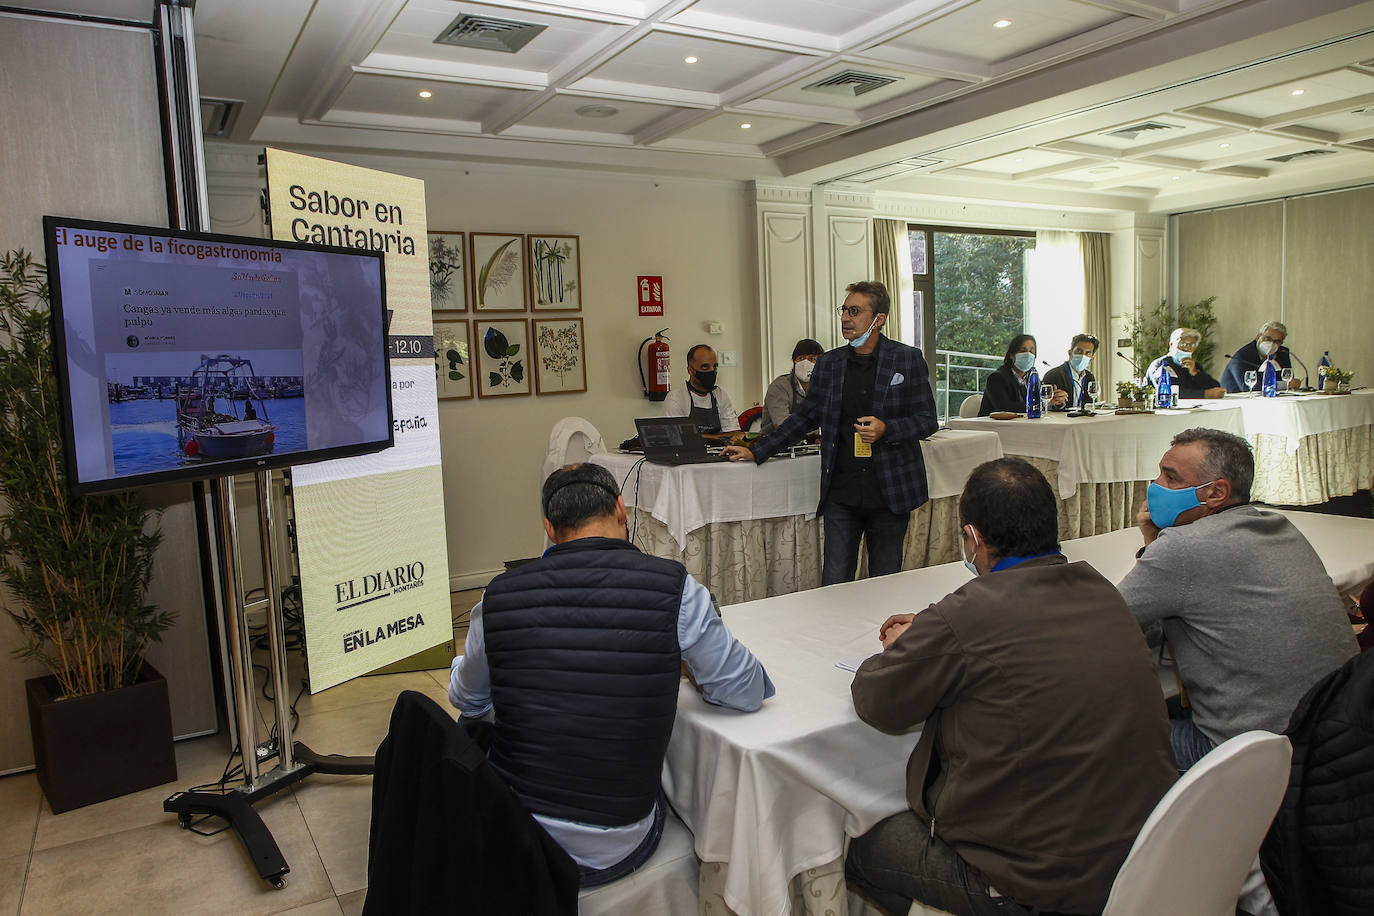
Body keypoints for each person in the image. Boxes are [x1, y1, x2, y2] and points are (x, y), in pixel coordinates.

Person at [845, 457, 1176, 916]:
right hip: (1140, 854)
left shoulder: (967, 612)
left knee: (857, 842)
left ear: (974, 539)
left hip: (1035, 882)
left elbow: (877, 700)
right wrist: (935, 631)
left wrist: (901, 647)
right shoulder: (1101, 590)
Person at [448, 463, 773, 885]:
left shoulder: (499, 597)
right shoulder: (674, 589)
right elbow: (745, 690)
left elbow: (466, 699)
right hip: (619, 841)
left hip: (516, 834)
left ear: (549, 527)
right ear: (622, 510)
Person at [1116, 428, 1358, 771]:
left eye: (1170, 478)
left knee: (1103, 733)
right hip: (1337, 739)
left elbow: (1108, 627)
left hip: (1251, 757)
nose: (1154, 486)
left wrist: (1156, 546)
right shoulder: (1280, 527)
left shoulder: (1183, 549)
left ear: (1216, 492)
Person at [722, 281, 938, 585]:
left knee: (885, 585)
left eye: (855, 311)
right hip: (842, 491)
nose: (846, 319)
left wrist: (888, 429)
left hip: (889, 491)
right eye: (844, 311)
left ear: (880, 318)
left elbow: (927, 420)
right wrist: (757, 450)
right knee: (835, 584)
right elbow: (805, 417)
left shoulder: (907, 359)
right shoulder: (829, 364)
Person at [659, 344, 739, 434]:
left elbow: (733, 434)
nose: (711, 371)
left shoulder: (721, 395)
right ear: (690, 370)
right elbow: (676, 436)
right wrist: (717, 438)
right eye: (705, 367)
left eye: (715, 367)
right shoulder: (676, 398)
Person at [978, 334, 1067, 415]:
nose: (1028, 355)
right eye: (1023, 350)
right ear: (1012, 355)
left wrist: (1056, 402)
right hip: (995, 427)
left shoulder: (1032, 378)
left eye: (1031, 351)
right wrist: (1042, 404)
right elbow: (1006, 408)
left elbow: (1042, 402)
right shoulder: (997, 378)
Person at [761, 338, 823, 434]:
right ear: (794, 361)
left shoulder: (823, 387)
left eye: (812, 359)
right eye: (801, 358)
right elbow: (782, 424)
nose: (805, 363)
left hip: (810, 445)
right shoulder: (780, 386)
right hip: (776, 444)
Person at [1145, 327, 1226, 399]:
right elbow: (1167, 392)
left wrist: (1195, 373)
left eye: (1191, 345)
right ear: (1171, 344)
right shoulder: (1161, 364)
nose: (1186, 348)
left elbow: (1215, 388)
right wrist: (1205, 394)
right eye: (1182, 344)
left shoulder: (1194, 365)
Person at [1221, 320, 1298, 392]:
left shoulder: (1282, 352)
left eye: (1277, 341)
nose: (1271, 343)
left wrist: (1293, 384)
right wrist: (1284, 386)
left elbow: (1288, 378)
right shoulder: (1242, 356)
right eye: (1268, 338)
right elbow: (1249, 387)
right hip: (1237, 401)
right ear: (1258, 337)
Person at [1041, 333, 1098, 410]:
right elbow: (1045, 405)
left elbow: (1092, 403)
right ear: (1070, 353)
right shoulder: (1054, 375)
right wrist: (1056, 403)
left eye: (1088, 353)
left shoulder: (1089, 376)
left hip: (1083, 420)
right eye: (1079, 351)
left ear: (1092, 358)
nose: (1083, 356)